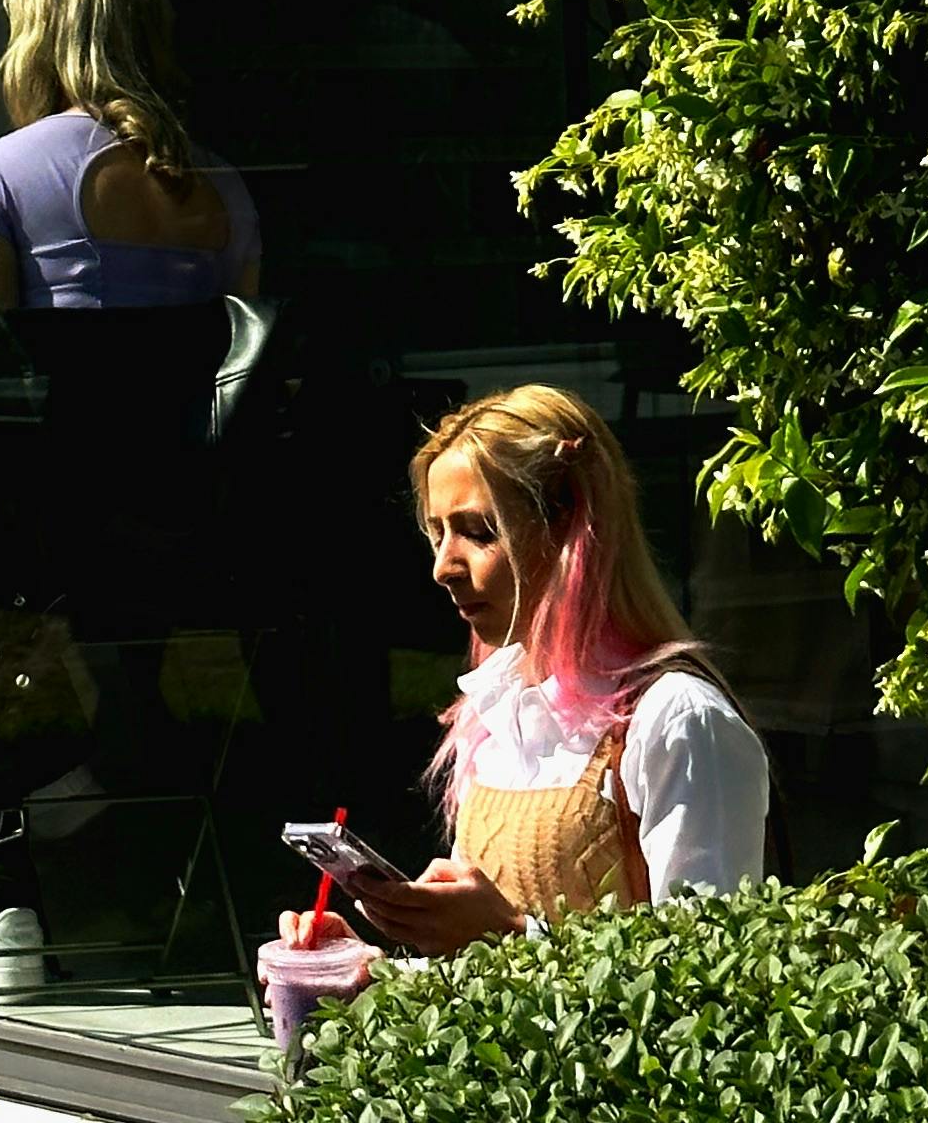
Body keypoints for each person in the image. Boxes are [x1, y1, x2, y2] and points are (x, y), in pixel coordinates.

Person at [0, 0, 262, 997]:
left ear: (42, 33)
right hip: (177, 538)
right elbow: (227, 367)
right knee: (100, 622)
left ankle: (4, 905)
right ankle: (111, 781)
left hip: (32, 542)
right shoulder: (225, 191)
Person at [281, 383, 767, 960]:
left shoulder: (677, 720)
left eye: (479, 532)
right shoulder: (495, 715)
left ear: (567, 525)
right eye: (437, 535)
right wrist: (368, 970)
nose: (443, 567)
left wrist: (511, 935)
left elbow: (710, 974)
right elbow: (481, 978)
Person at [0, 0, 260, 388]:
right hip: (187, 460)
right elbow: (244, 370)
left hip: (59, 457)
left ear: (36, 35)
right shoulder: (223, 184)